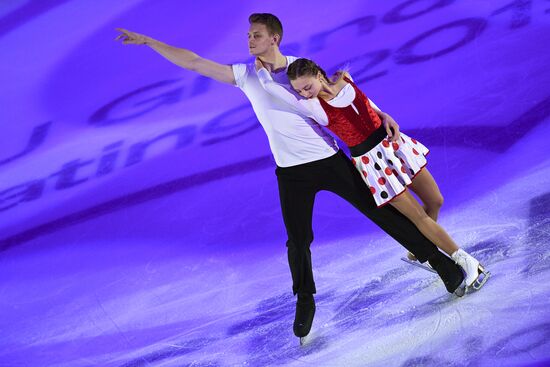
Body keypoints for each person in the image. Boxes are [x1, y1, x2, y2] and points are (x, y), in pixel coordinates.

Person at [114, 13, 466, 342]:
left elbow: (342, 96)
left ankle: (441, 264)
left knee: (382, 214)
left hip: (329, 160)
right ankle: (305, 299)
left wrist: (383, 113)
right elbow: (194, 61)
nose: (249, 40)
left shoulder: (300, 68)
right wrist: (150, 41)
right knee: (297, 240)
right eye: (249, 35)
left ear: (275, 38)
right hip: (290, 173)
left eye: (256, 35)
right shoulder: (246, 75)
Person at [255, 57, 490, 291]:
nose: (305, 94)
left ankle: (421, 247)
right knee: (419, 217)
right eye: (299, 90)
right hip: (373, 164)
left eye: (307, 87)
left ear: (318, 74)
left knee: (435, 200)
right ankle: (465, 260)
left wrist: (385, 115)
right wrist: (262, 73)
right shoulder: (315, 106)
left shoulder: (345, 78)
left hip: (394, 146)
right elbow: (271, 89)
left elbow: (370, 105)